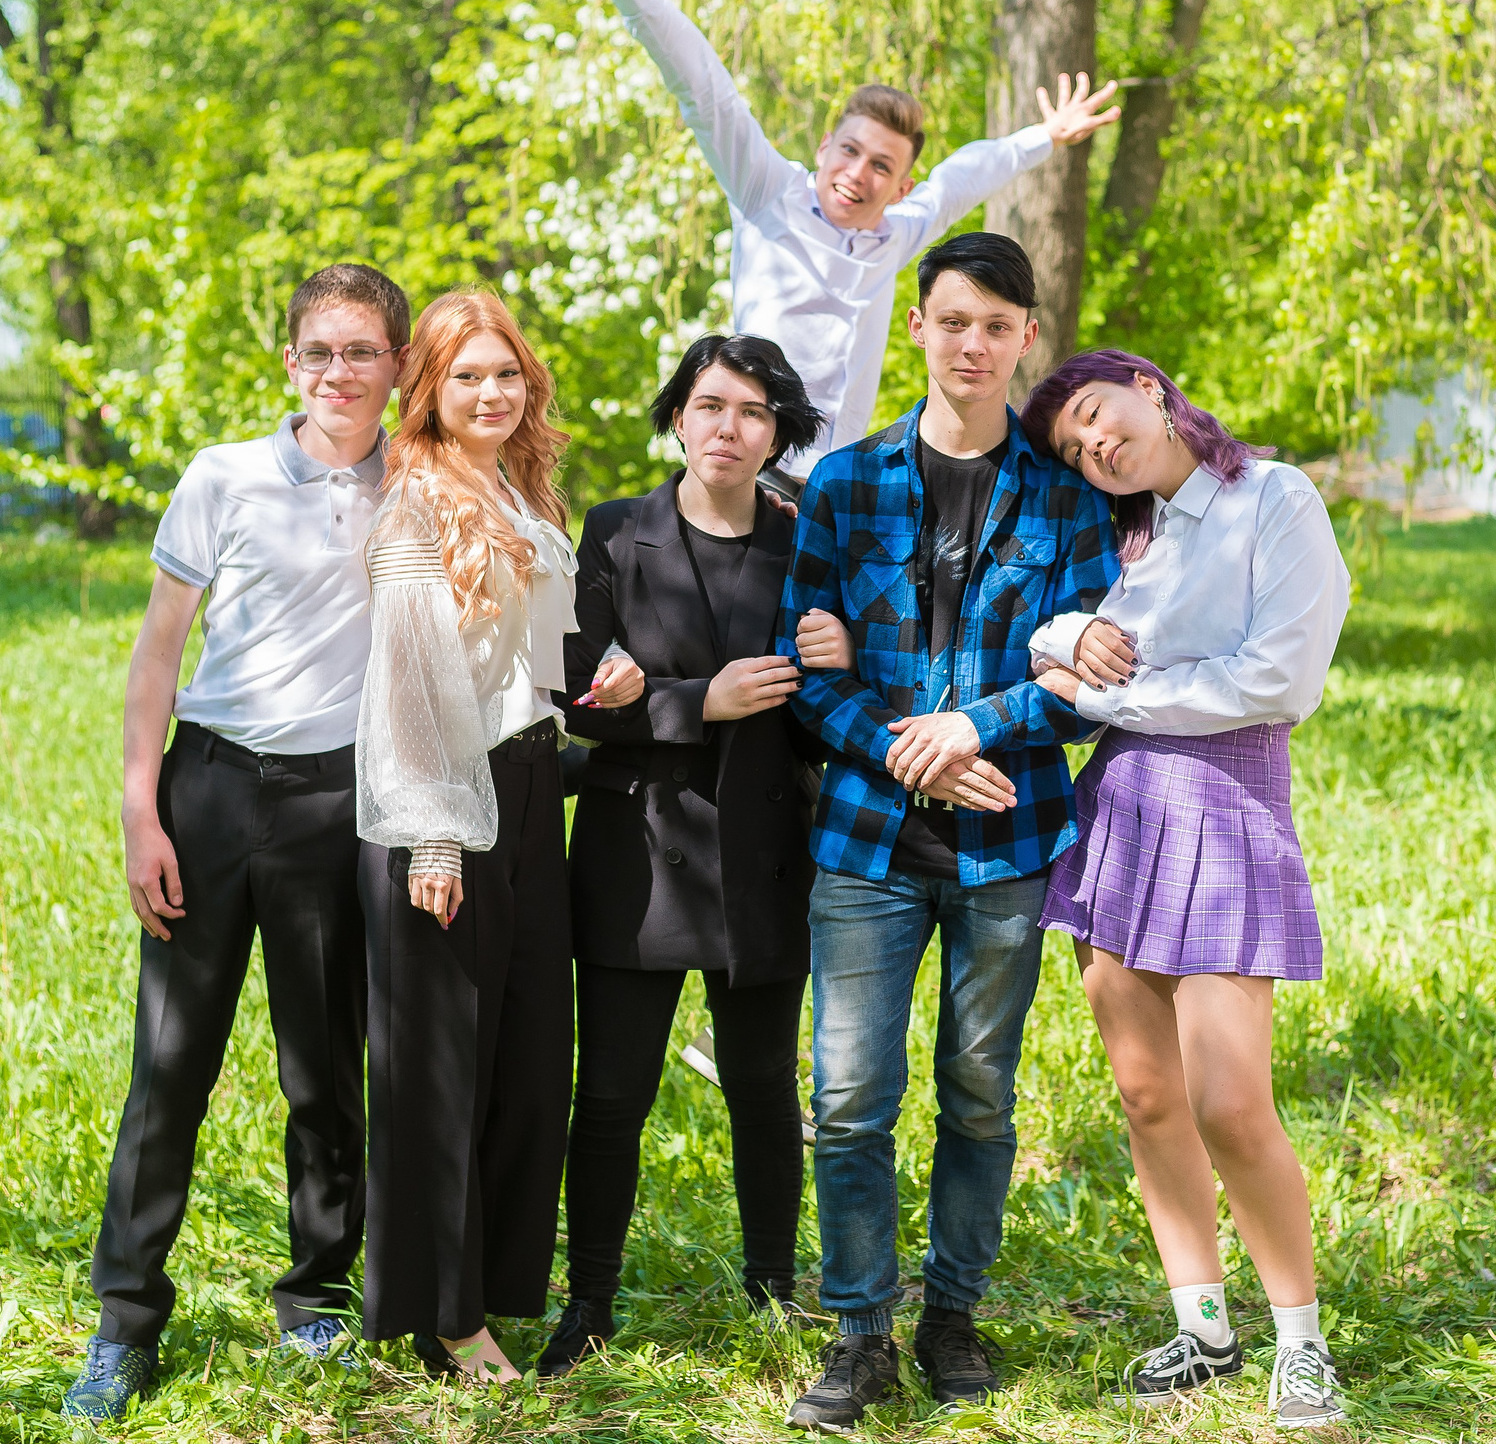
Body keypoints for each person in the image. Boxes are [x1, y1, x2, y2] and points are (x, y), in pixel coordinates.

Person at [772, 231, 1119, 1430]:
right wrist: (902, 744)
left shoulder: (1071, 501)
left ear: (1026, 338)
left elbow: (1088, 674)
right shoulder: (843, 484)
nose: (972, 344)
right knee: (850, 1090)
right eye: (952, 320)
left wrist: (969, 728)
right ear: (917, 326)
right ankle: (859, 1330)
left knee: (978, 1090)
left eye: (997, 326)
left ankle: (952, 1312)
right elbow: (804, 666)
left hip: (1005, 842)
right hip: (866, 842)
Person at [62, 263, 410, 1421]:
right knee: (171, 1066)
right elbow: (159, 653)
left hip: (334, 803)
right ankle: (124, 1322)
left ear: (396, 364)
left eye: (363, 351)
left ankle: (313, 1290)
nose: (339, 373)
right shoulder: (223, 478)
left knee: (322, 1067)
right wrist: (138, 806)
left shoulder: (416, 482)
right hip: (208, 790)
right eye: (320, 350)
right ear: (289, 362)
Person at [544, 0, 1122, 474]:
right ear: (824, 149)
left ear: (900, 186)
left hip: (837, 486)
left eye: (880, 165)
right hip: (749, 470)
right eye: (848, 150)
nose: (856, 173)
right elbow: (702, 85)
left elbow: (968, 172)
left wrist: (1047, 136)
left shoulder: (898, 234)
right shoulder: (766, 192)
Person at [1017, 349, 1351, 1431]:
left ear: (1150, 390)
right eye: (1074, 446)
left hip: (1229, 804)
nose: (1096, 445)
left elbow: (1280, 677)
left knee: (1228, 1098)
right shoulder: (1118, 534)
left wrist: (1123, 693)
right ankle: (1201, 1322)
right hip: (1120, 810)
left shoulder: (1272, 495)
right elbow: (1043, 630)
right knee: (1147, 1092)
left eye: (1099, 416)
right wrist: (1066, 637)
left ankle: (1300, 1340)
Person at [539, 334, 854, 1374]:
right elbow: (565, 692)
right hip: (636, 849)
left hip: (766, 853)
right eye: (710, 404)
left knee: (763, 1087)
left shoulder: (811, 538)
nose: (729, 427)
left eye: (753, 411)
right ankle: (587, 1302)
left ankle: (773, 1290)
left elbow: (828, 712)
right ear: (676, 414)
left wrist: (839, 665)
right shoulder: (613, 532)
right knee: (613, 1093)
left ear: (779, 432)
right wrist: (691, 703)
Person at [352, 289, 645, 1383]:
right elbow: (412, 685)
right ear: (428, 387)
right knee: (443, 1066)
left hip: (529, 788)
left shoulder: (524, 498)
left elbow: (533, 669)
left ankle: (495, 1286)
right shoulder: (414, 508)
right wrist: (432, 835)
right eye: (467, 374)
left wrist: (594, 685)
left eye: (506, 373)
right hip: (442, 808)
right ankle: (445, 1312)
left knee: (527, 1058)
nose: (490, 391)